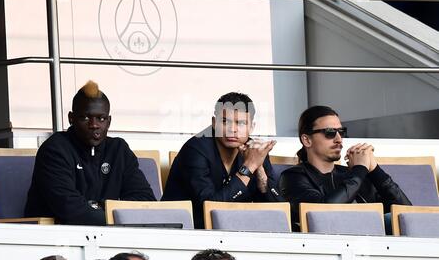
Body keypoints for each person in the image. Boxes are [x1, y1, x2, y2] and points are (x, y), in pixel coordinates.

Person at [25, 80, 156, 225]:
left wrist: (98, 206)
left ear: (109, 121)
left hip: (114, 237)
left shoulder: (119, 150)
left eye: (101, 118)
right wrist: (118, 213)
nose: (94, 125)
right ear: (71, 118)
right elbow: (71, 211)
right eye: (85, 118)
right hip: (59, 239)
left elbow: (145, 201)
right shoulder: (54, 150)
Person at [279, 105, 412, 232]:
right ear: (307, 140)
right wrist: (359, 169)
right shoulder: (293, 177)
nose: (338, 139)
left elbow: (407, 216)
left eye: (341, 132)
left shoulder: (353, 174)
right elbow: (322, 213)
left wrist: (374, 170)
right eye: (329, 133)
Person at [161, 92, 284, 228]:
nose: (232, 129)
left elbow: (278, 210)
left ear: (252, 127)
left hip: (231, 230)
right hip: (185, 232)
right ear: (214, 123)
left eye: (241, 123)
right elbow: (211, 207)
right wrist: (249, 167)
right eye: (225, 121)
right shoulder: (195, 150)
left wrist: (259, 167)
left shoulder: (254, 151)